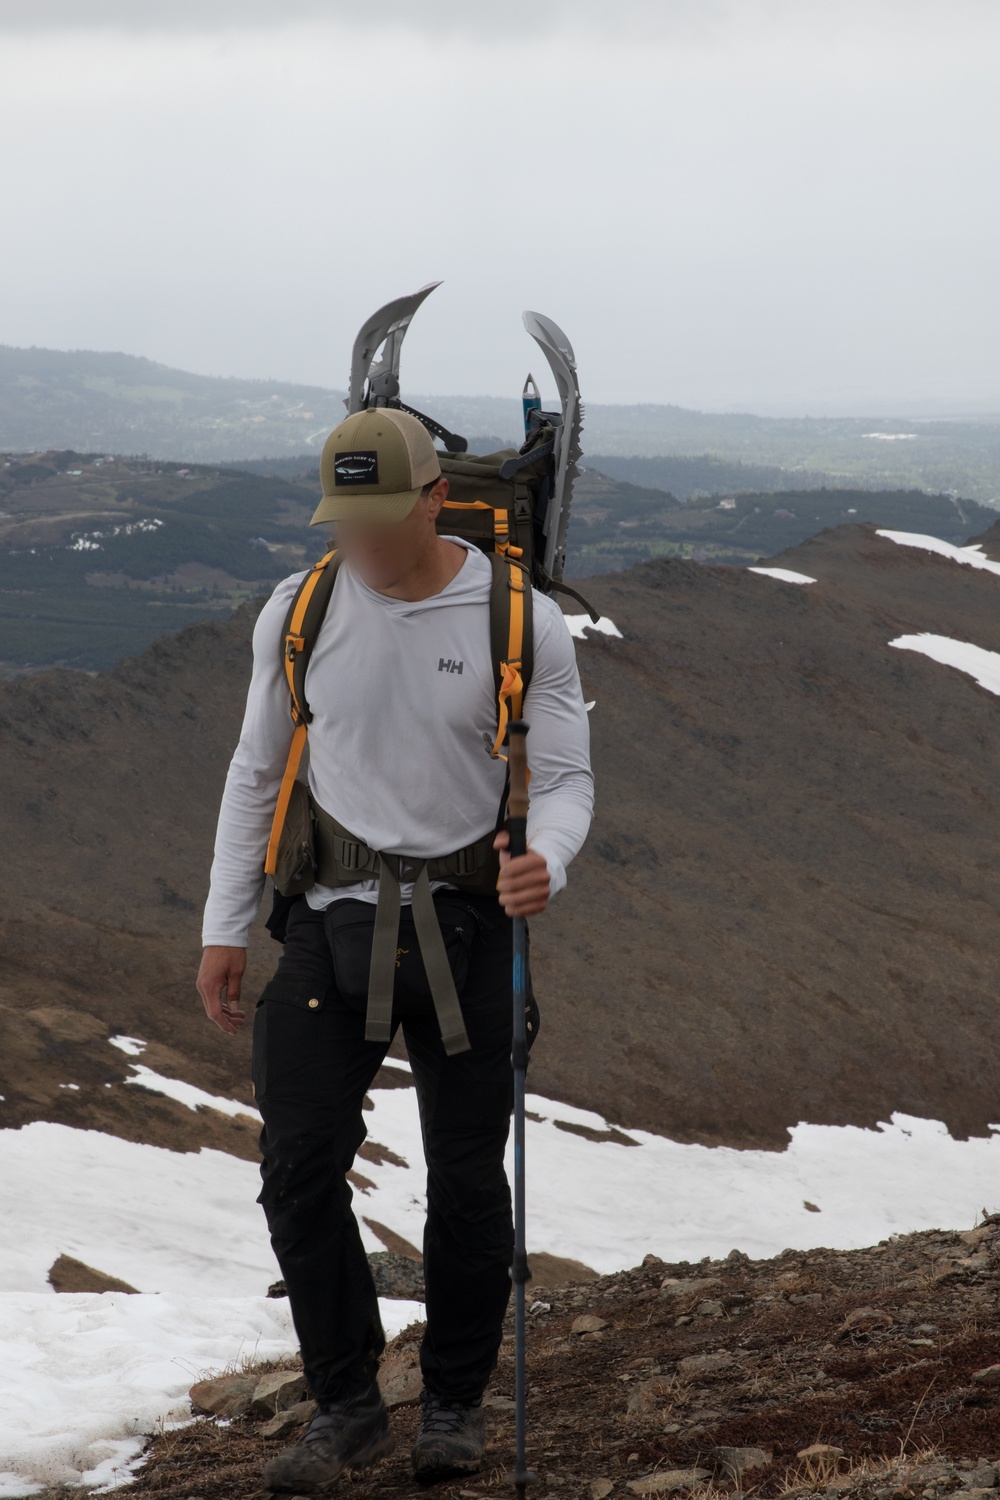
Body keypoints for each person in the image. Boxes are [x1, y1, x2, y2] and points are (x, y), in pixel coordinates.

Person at [196, 406, 594, 1488]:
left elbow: (562, 781)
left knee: (466, 1185)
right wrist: (223, 927)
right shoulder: (301, 610)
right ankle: (347, 1404)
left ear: (433, 500)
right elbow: (252, 770)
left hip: (470, 927)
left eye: (380, 517)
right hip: (331, 921)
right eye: (344, 520)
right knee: (295, 1169)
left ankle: (455, 1405)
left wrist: (544, 861)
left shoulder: (520, 620)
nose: (361, 543)